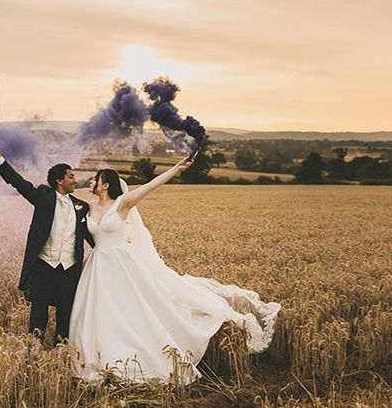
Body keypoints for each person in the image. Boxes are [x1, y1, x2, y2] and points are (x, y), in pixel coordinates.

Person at [69, 157, 281, 384]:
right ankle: (97, 358)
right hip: (97, 267)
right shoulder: (88, 207)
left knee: (132, 308)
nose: (91, 182)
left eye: (95, 179)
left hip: (123, 265)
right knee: (98, 311)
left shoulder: (123, 203)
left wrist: (176, 168)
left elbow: (151, 186)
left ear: (106, 184)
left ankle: (135, 355)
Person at [0, 139, 94, 344]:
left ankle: (60, 350)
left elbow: (93, 237)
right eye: (71, 176)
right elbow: (18, 183)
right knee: (38, 315)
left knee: (65, 315)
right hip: (44, 267)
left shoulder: (82, 207)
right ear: (59, 180)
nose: (75, 180)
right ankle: (33, 350)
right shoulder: (43, 196)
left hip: (69, 269)